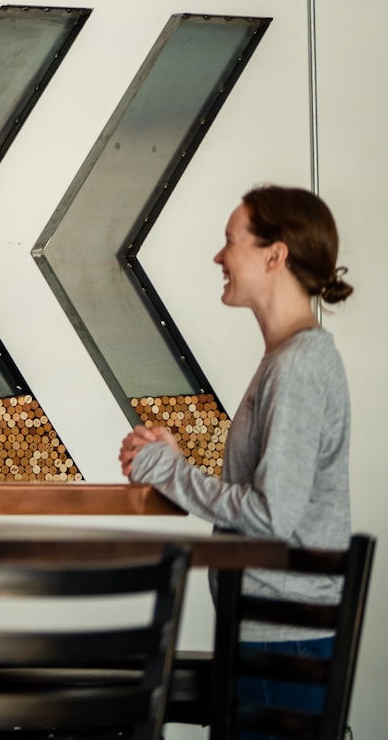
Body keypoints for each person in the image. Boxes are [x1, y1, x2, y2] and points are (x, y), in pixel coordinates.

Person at [122, 186, 352, 727]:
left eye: (231, 241)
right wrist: (176, 463)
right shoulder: (289, 360)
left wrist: (171, 473)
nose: (219, 257)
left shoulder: (296, 367)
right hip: (277, 638)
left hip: (281, 645)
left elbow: (272, 517)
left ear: (276, 255)